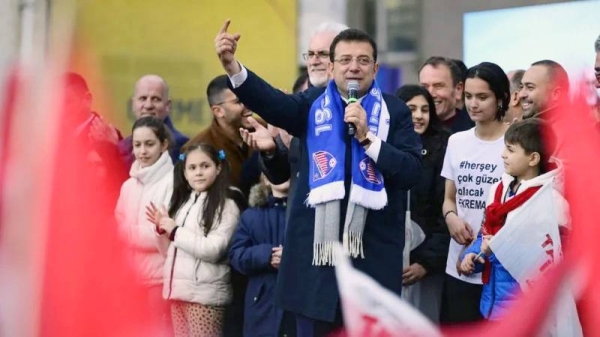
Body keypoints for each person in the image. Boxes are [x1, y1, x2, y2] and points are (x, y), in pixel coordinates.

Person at [216, 20, 422, 336]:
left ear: (376, 68)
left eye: (363, 60)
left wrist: (369, 139)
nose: (354, 67)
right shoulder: (312, 104)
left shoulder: (395, 111)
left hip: (371, 259)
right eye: (345, 60)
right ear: (332, 66)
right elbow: (272, 102)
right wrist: (232, 66)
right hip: (315, 263)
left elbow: (410, 171)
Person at [458, 118, 568, 320]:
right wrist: (472, 256)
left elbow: (556, 257)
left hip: (526, 312)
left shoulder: (552, 201)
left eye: (510, 150)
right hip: (493, 304)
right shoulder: (499, 190)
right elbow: (487, 235)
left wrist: (499, 248)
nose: (503, 155)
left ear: (533, 158)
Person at [146, 143, 243, 337]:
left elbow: (214, 249)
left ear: (218, 167)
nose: (198, 172)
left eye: (205, 166)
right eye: (192, 168)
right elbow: (169, 252)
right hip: (178, 293)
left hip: (205, 298)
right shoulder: (183, 202)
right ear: (184, 172)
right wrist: (161, 231)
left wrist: (175, 232)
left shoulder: (227, 204)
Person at [440, 62, 510, 324]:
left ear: (501, 98)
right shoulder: (457, 141)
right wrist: (451, 218)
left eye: (482, 97)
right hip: (458, 262)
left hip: (499, 264)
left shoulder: (514, 142)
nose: (473, 104)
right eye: (468, 96)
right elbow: (449, 197)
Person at [395, 85, 450, 323]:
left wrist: (425, 263)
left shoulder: (443, 149)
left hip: (426, 270)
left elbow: (445, 213)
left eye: (425, 110)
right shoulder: (383, 148)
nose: (418, 115)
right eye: (411, 109)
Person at [114, 116, 173, 335]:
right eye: (137, 145)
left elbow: (163, 233)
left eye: (150, 144)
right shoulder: (128, 185)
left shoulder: (173, 182)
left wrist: (127, 233)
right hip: (131, 278)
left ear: (164, 145)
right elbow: (116, 225)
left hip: (159, 278)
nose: (142, 151)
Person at [229, 176, 295, 337]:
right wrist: (267, 255)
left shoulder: (308, 212)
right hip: (261, 304)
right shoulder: (251, 215)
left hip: (297, 301)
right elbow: (236, 255)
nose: (282, 174)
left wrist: (293, 257)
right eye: (275, 169)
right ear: (265, 180)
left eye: (287, 169)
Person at [184, 75, 255, 192]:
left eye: (249, 98)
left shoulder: (266, 129)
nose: (248, 105)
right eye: (239, 101)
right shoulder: (197, 147)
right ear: (218, 111)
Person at [119, 74, 189, 167]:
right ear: (133, 104)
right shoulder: (123, 146)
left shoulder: (183, 146)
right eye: (143, 98)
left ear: (168, 105)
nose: (148, 105)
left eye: (156, 99)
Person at [419, 56, 474, 134]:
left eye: (438, 86)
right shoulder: (407, 132)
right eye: (424, 86)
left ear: (458, 89)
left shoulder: (476, 132)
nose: (430, 93)